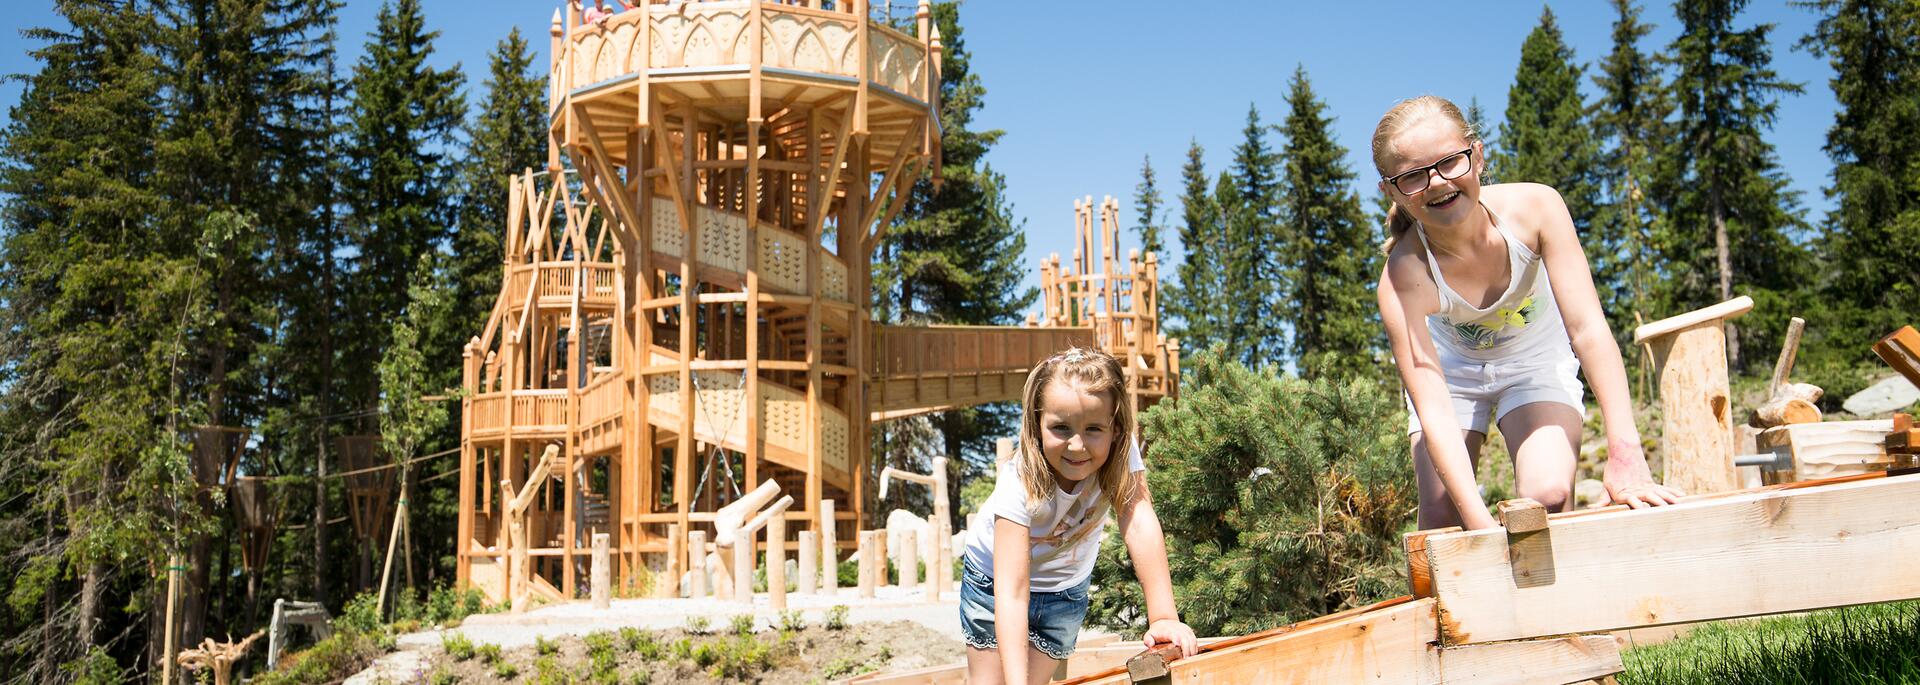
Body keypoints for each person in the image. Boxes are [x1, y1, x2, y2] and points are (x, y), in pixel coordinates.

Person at [1371, 95, 1684, 531]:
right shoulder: (1402, 278)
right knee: (1442, 518)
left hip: (1534, 362)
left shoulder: (1537, 209)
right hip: (1454, 376)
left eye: (1450, 162)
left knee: (1549, 497)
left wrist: (1625, 453)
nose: (1439, 183)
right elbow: (1434, 409)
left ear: (1477, 156)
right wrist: (1479, 524)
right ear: (1390, 190)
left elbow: (1588, 329)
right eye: (1413, 177)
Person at [960, 348, 1198, 684]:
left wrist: (1163, 616)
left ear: (1115, 429)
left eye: (1093, 429)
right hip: (993, 585)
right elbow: (1011, 591)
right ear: (1037, 425)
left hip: (1063, 589)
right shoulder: (1018, 480)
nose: (1077, 445)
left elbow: (1139, 519)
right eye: (1061, 428)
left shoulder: (1120, 454)